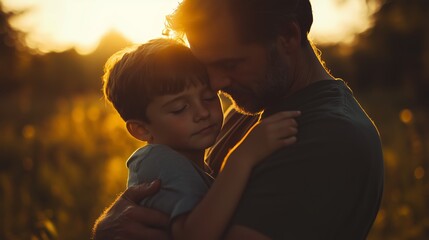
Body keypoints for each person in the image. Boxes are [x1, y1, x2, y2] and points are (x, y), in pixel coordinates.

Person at [93, 0, 384, 239]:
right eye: (206, 66)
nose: (216, 84)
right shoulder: (243, 112)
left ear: (288, 36)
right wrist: (108, 230)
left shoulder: (329, 138)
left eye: (230, 63)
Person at [99, 38, 300, 240]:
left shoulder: (193, 165)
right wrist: (242, 157)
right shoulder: (159, 160)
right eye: (180, 108)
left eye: (209, 97)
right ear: (141, 130)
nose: (202, 112)